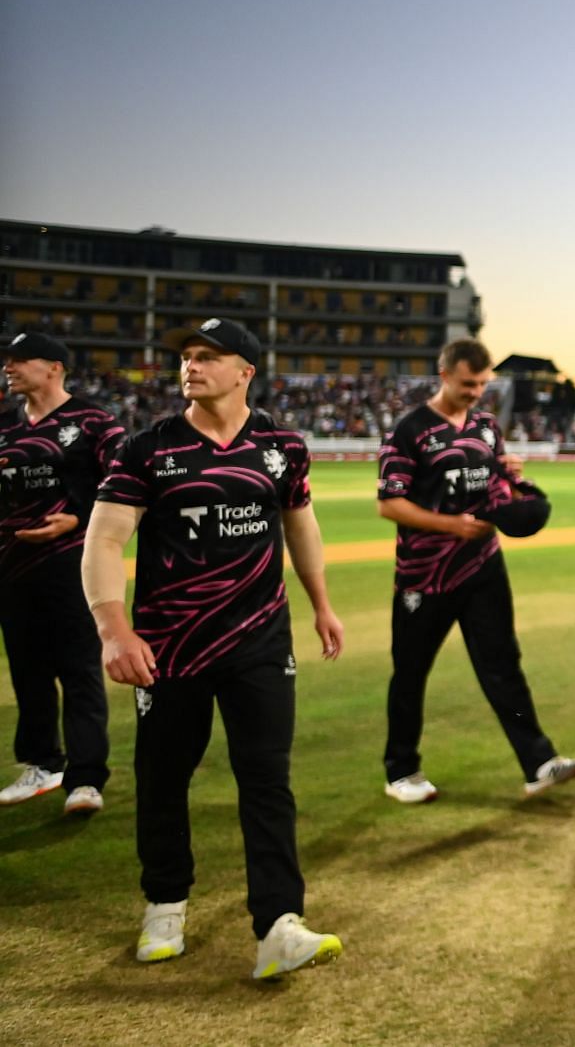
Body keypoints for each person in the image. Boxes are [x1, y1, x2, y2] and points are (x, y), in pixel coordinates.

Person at [80, 318, 346, 980]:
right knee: (164, 777)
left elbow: (300, 524)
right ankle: (165, 902)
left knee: (266, 778)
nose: (190, 366)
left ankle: (280, 922)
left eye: (207, 356)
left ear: (244, 371)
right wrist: (115, 629)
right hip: (168, 649)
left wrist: (321, 602)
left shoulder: (282, 446)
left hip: (261, 640)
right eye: (187, 357)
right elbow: (105, 538)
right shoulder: (148, 448)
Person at [375, 338, 575, 804]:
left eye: (482, 384)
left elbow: (497, 483)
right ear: (444, 372)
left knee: (503, 666)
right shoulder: (410, 429)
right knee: (410, 672)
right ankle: (401, 770)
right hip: (424, 574)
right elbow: (390, 503)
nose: (475, 392)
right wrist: (450, 524)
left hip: (483, 566)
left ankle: (538, 763)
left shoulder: (486, 427)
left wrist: (511, 475)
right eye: (468, 383)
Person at [0, 331, 124, 814]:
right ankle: (42, 764)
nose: (8, 368)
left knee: (79, 670)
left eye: (19, 360)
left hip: (74, 564)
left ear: (54, 367)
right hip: (12, 568)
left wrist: (76, 514)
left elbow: (122, 484)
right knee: (27, 671)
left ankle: (86, 778)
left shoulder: (94, 422)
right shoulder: (5, 426)